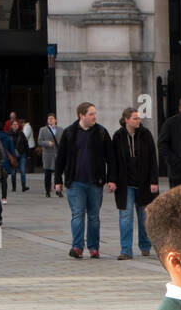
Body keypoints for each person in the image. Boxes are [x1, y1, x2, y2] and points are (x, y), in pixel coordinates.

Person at [54, 101, 117, 259]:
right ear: (82, 115)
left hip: (95, 182)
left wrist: (112, 179)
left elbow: (111, 158)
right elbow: (60, 158)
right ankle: (77, 247)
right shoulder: (69, 133)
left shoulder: (101, 132)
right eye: (91, 114)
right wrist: (58, 181)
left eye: (95, 113)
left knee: (94, 216)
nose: (94, 116)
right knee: (77, 215)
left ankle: (94, 248)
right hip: (75, 182)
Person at [113, 106, 159, 260]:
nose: (138, 120)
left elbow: (153, 158)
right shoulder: (118, 136)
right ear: (126, 120)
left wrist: (153, 181)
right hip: (125, 184)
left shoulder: (145, 134)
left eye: (139, 118)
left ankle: (145, 245)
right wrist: (112, 180)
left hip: (144, 183)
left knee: (144, 217)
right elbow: (113, 162)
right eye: (135, 118)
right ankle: (126, 250)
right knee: (125, 217)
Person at [37, 112, 61, 197]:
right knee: (47, 174)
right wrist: (47, 143)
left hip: (57, 154)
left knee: (58, 174)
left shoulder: (60, 130)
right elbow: (39, 141)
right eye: (49, 119)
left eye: (52, 118)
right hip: (47, 155)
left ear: (55, 120)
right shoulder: (43, 130)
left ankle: (58, 190)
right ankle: (47, 191)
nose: (50, 120)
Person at [8, 115, 29, 192]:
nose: (15, 126)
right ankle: (14, 187)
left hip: (22, 154)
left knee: (22, 171)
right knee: (13, 172)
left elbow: (26, 144)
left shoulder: (21, 134)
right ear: (11, 126)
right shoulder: (8, 134)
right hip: (13, 156)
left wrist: (28, 154)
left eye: (16, 124)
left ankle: (23, 186)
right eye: (14, 124)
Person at [0, 125, 15, 204]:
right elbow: (12, 150)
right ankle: (4, 198)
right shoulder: (8, 137)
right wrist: (14, 159)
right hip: (5, 162)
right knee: (4, 181)